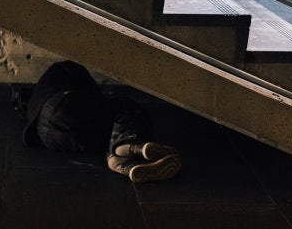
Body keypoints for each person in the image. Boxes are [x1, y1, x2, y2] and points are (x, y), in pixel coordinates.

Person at [21, 60, 181, 182]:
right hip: (61, 107)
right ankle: (131, 146)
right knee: (125, 106)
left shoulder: (33, 110)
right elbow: (94, 94)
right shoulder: (60, 72)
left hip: (51, 140)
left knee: (109, 134)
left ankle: (120, 161)